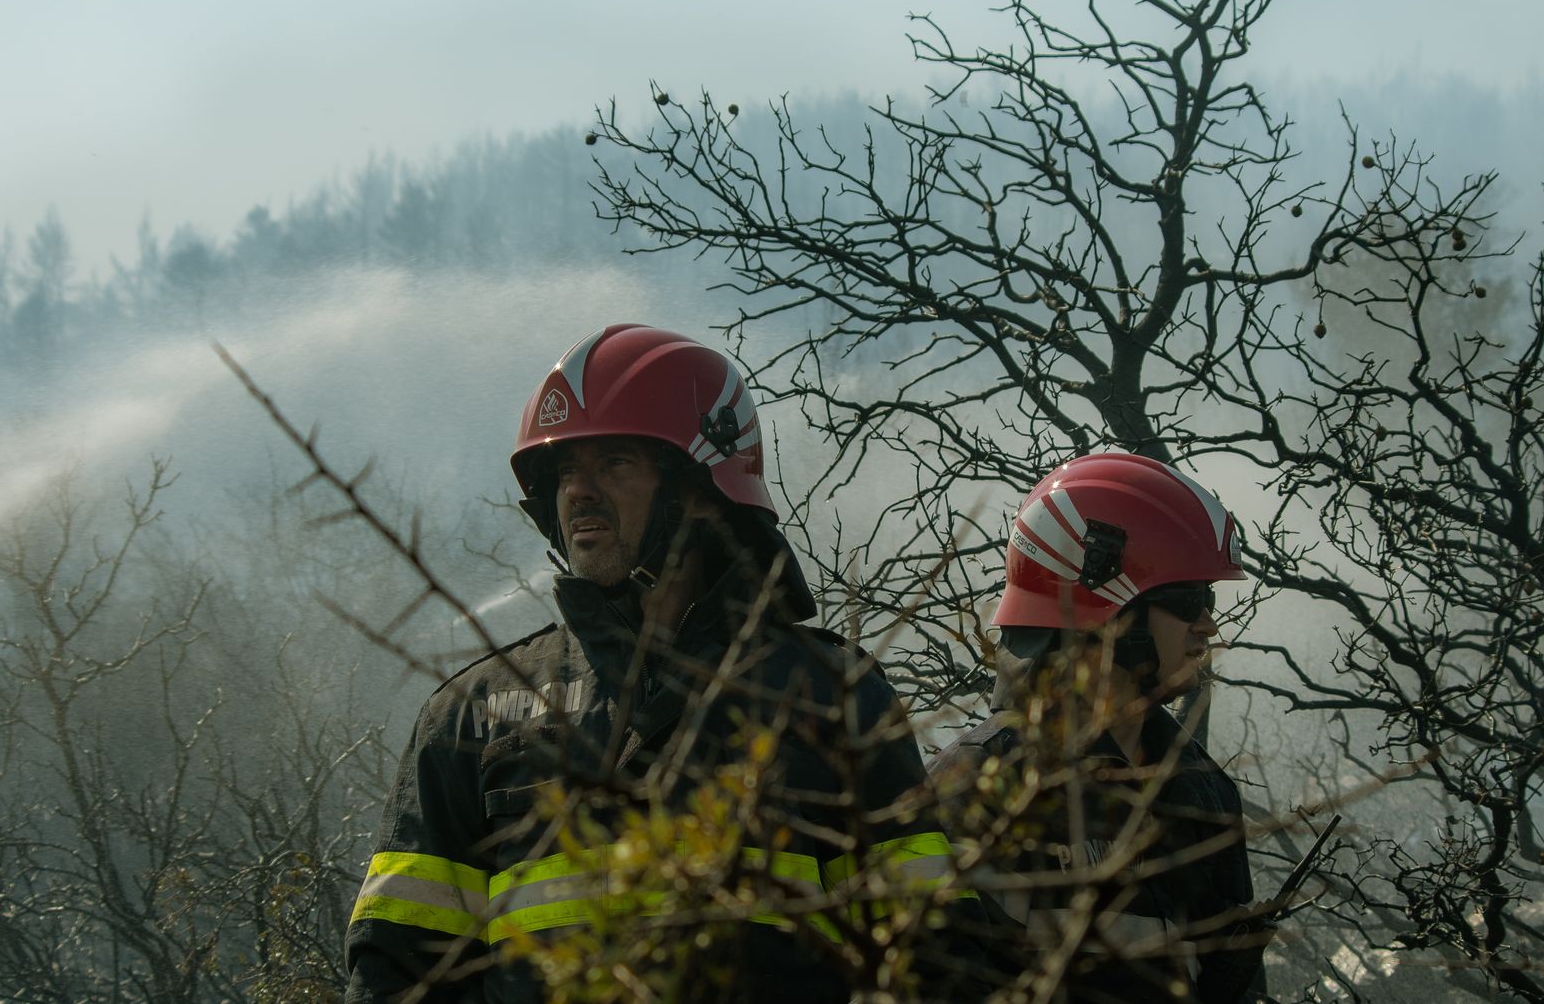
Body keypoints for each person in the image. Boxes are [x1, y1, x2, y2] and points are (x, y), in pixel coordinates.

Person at [344, 324, 968, 1003]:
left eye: (615, 464)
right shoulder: (477, 716)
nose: (578, 491)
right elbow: (397, 974)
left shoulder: (831, 696)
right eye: (565, 471)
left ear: (701, 491)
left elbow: (932, 959)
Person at [933, 452, 1269, 1004]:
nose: (1208, 624)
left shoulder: (1200, 787)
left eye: (1207, 600)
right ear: (1107, 613)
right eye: (1189, 601)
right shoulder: (978, 785)